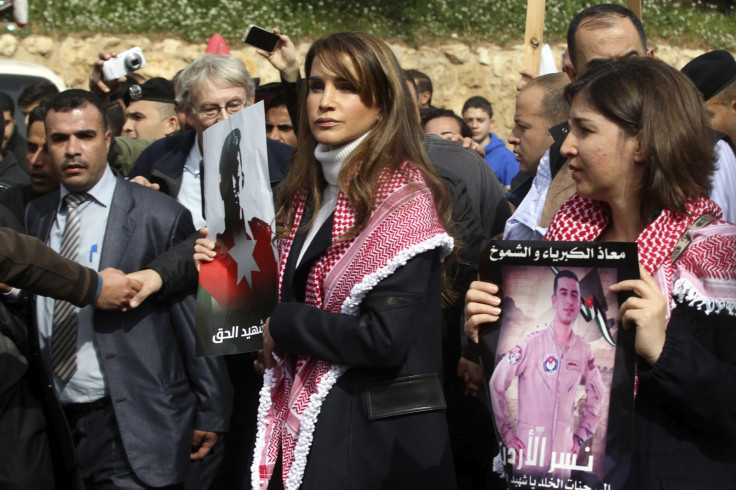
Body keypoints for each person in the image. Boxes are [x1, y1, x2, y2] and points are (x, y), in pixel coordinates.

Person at [197, 31, 457, 489]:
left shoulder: (402, 201)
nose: (325, 101)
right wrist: (227, 273)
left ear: (382, 102)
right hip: (311, 431)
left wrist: (286, 324)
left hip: (371, 445)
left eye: (347, 87)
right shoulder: (306, 195)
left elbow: (382, 340)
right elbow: (282, 300)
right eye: (316, 86)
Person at [466, 57, 736, 488]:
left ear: (643, 144)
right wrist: (492, 332)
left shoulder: (713, 257)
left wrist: (663, 350)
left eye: (585, 130)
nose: (566, 146)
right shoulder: (563, 240)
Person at [25, 89, 232, 489]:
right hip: (62, 424)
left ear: (107, 139)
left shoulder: (156, 214)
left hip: (135, 419)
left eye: (84, 136)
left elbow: (191, 316)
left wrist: (211, 407)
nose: (72, 149)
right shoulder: (36, 214)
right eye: (59, 139)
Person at [129, 53, 293, 229]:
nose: (224, 118)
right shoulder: (158, 157)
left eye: (234, 105)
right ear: (187, 112)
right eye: (210, 109)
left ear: (251, 102)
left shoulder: (286, 163)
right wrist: (136, 196)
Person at [490, 270, 605, 479]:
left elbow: (597, 392)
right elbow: (497, 382)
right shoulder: (531, 344)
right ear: (554, 299)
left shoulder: (583, 349)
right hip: (529, 455)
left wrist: (580, 437)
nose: (569, 300)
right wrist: (507, 435)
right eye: (563, 293)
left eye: (574, 295)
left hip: (562, 460)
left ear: (580, 303)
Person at [506, 73, 570, 208]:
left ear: (561, 130)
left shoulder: (575, 209)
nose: (511, 138)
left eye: (522, 127)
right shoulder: (531, 184)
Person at [462, 96, 519, 187]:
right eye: (469, 120)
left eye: (480, 120)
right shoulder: (459, 152)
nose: (474, 125)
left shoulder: (508, 160)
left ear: (491, 123)